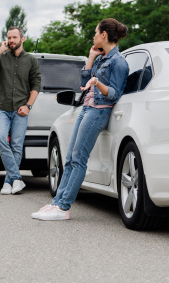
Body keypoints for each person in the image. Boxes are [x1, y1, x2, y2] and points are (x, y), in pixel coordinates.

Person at [32, 18, 129, 221]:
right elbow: (84, 84)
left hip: (98, 112)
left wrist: (98, 83)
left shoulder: (119, 62)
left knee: (78, 159)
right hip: (86, 108)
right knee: (70, 158)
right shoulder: (102, 59)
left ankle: (63, 207)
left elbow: (114, 94)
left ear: (104, 35)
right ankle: (57, 203)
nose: (93, 36)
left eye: (96, 32)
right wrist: (91, 58)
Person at [0, 27, 41, 195]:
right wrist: (0, 49)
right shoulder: (2, 57)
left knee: (16, 145)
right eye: (9, 37)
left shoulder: (31, 60)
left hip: (21, 109)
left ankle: (8, 182)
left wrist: (28, 106)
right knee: (1, 138)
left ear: (22, 39)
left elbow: (36, 85)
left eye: (14, 37)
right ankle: (17, 179)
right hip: (2, 107)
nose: (11, 40)